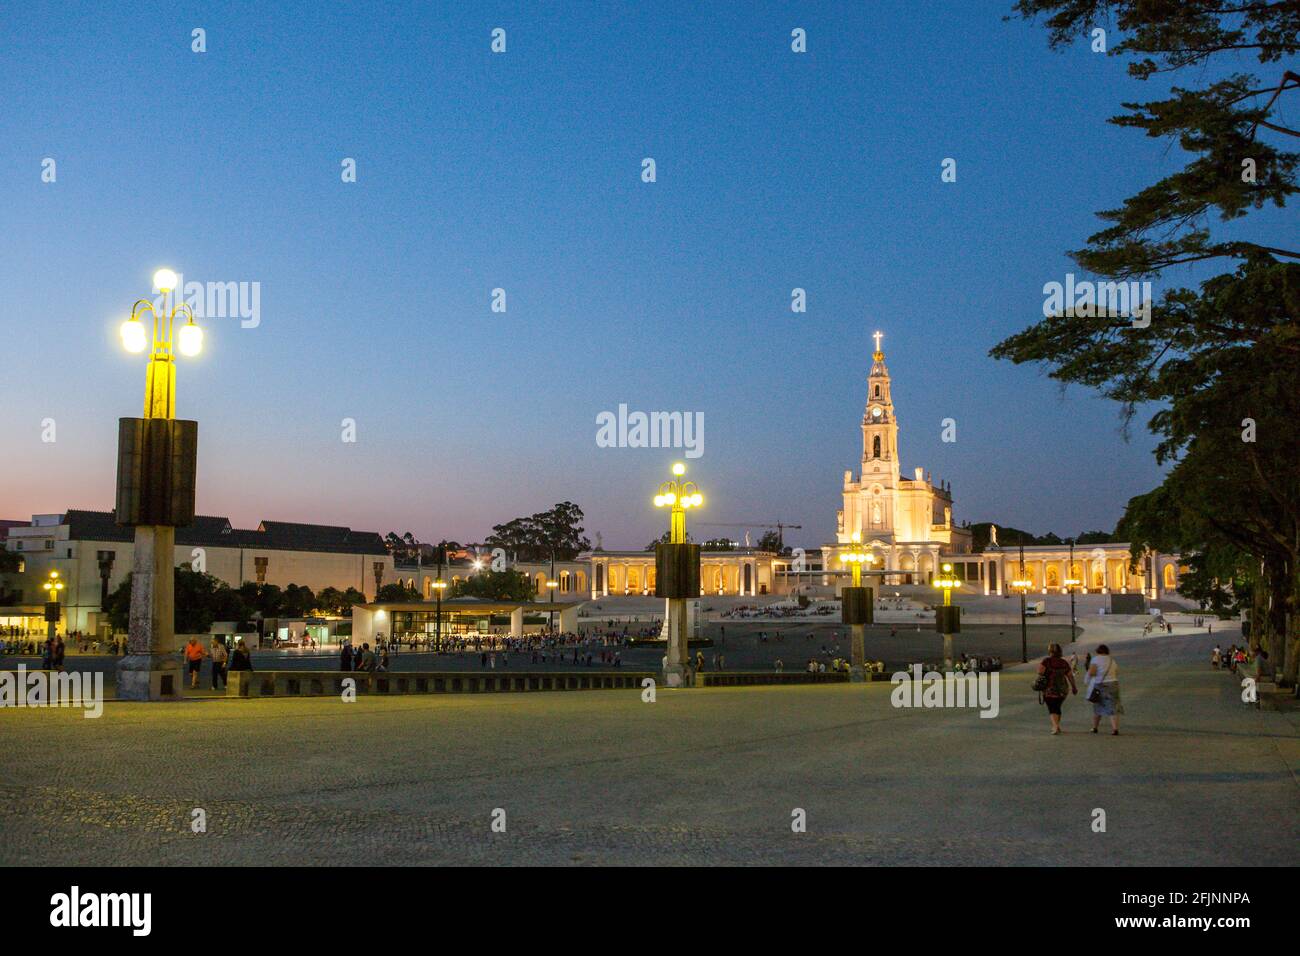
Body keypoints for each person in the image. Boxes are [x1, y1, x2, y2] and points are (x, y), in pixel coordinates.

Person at [1037, 643, 1077, 735]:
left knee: (1052, 708)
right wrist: (1074, 687)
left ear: (1050, 651)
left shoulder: (1046, 661)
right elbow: (1070, 676)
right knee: (1057, 707)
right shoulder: (1064, 662)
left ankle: (1055, 727)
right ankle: (1057, 726)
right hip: (1063, 689)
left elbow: (1040, 672)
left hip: (1049, 688)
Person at [1085, 643, 1122, 735]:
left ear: (1098, 651)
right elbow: (1116, 671)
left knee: (1098, 706)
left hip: (1100, 684)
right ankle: (1115, 728)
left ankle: (1095, 727)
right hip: (1113, 684)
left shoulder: (1096, 659)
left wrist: (1088, 679)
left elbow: (1092, 672)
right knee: (1113, 706)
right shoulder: (1111, 660)